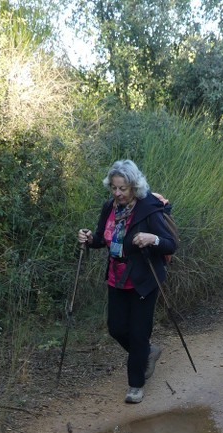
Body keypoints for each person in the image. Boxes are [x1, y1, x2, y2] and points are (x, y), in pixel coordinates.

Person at [78, 159, 177, 404]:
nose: (117, 193)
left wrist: (151, 238)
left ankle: (135, 385)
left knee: (138, 332)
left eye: (122, 188)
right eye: (113, 187)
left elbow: (170, 244)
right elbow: (102, 239)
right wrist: (89, 238)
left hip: (144, 279)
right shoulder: (108, 207)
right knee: (116, 328)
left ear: (134, 187)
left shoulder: (149, 209)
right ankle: (146, 354)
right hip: (117, 277)